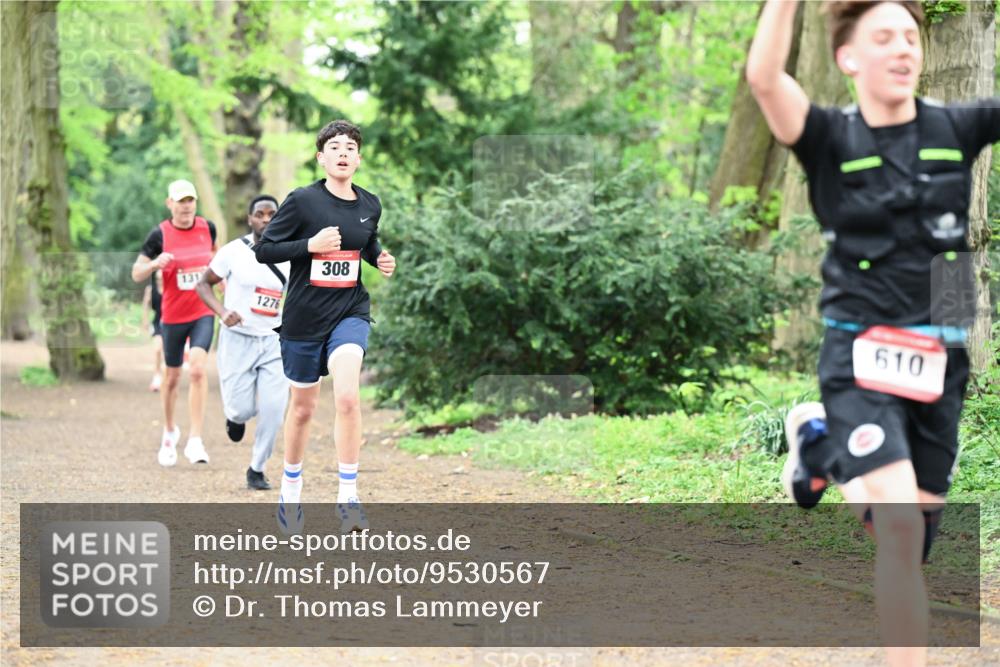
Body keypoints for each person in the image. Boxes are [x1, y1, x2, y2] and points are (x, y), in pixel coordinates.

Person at [747, 2, 999, 665]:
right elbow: (766, 79)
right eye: (884, 37)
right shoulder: (831, 137)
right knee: (896, 529)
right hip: (860, 353)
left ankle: (821, 446)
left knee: (910, 542)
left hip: (941, 358)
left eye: (912, 37)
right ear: (848, 58)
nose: (904, 49)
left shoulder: (955, 127)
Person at [255, 119, 396, 534]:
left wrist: (380, 258)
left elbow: (365, 244)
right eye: (334, 146)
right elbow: (265, 250)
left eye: (350, 147)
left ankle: (348, 496)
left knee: (348, 397)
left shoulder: (370, 204)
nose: (343, 152)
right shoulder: (302, 201)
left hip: (349, 310)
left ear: (359, 157)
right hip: (303, 318)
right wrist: (309, 246)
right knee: (303, 409)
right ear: (321, 157)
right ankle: (291, 491)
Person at [195, 195, 290, 491]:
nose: (266, 220)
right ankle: (234, 418)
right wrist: (223, 312)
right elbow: (203, 284)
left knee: (274, 409)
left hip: (274, 341)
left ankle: (257, 468)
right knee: (240, 410)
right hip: (237, 339)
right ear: (250, 219)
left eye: (272, 214)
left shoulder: (290, 253)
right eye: (259, 214)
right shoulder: (232, 252)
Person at [131, 179, 218, 467]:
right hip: (173, 316)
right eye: (180, 201)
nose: (186, 206)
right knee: (171, 379)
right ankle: (170, 432)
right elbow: (136, 273)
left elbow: (218, 263)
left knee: (196, 369)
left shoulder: (208, 228)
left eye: (190, 200)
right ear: (170, 204)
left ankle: (195, 440)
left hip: (203, 312)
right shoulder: (159, 234)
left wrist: (227, 288)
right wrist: (155, 264)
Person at [141, 270, 165, 391]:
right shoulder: (150, 290)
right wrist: (145, 321)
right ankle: (157, 376)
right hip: (157, 322)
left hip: (171, 323)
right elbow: (145, 305)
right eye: (158, 278)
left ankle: (166, 377)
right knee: (157, 349)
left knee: (168, 352)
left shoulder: (171, 288)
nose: (160, 281)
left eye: (162, 278)